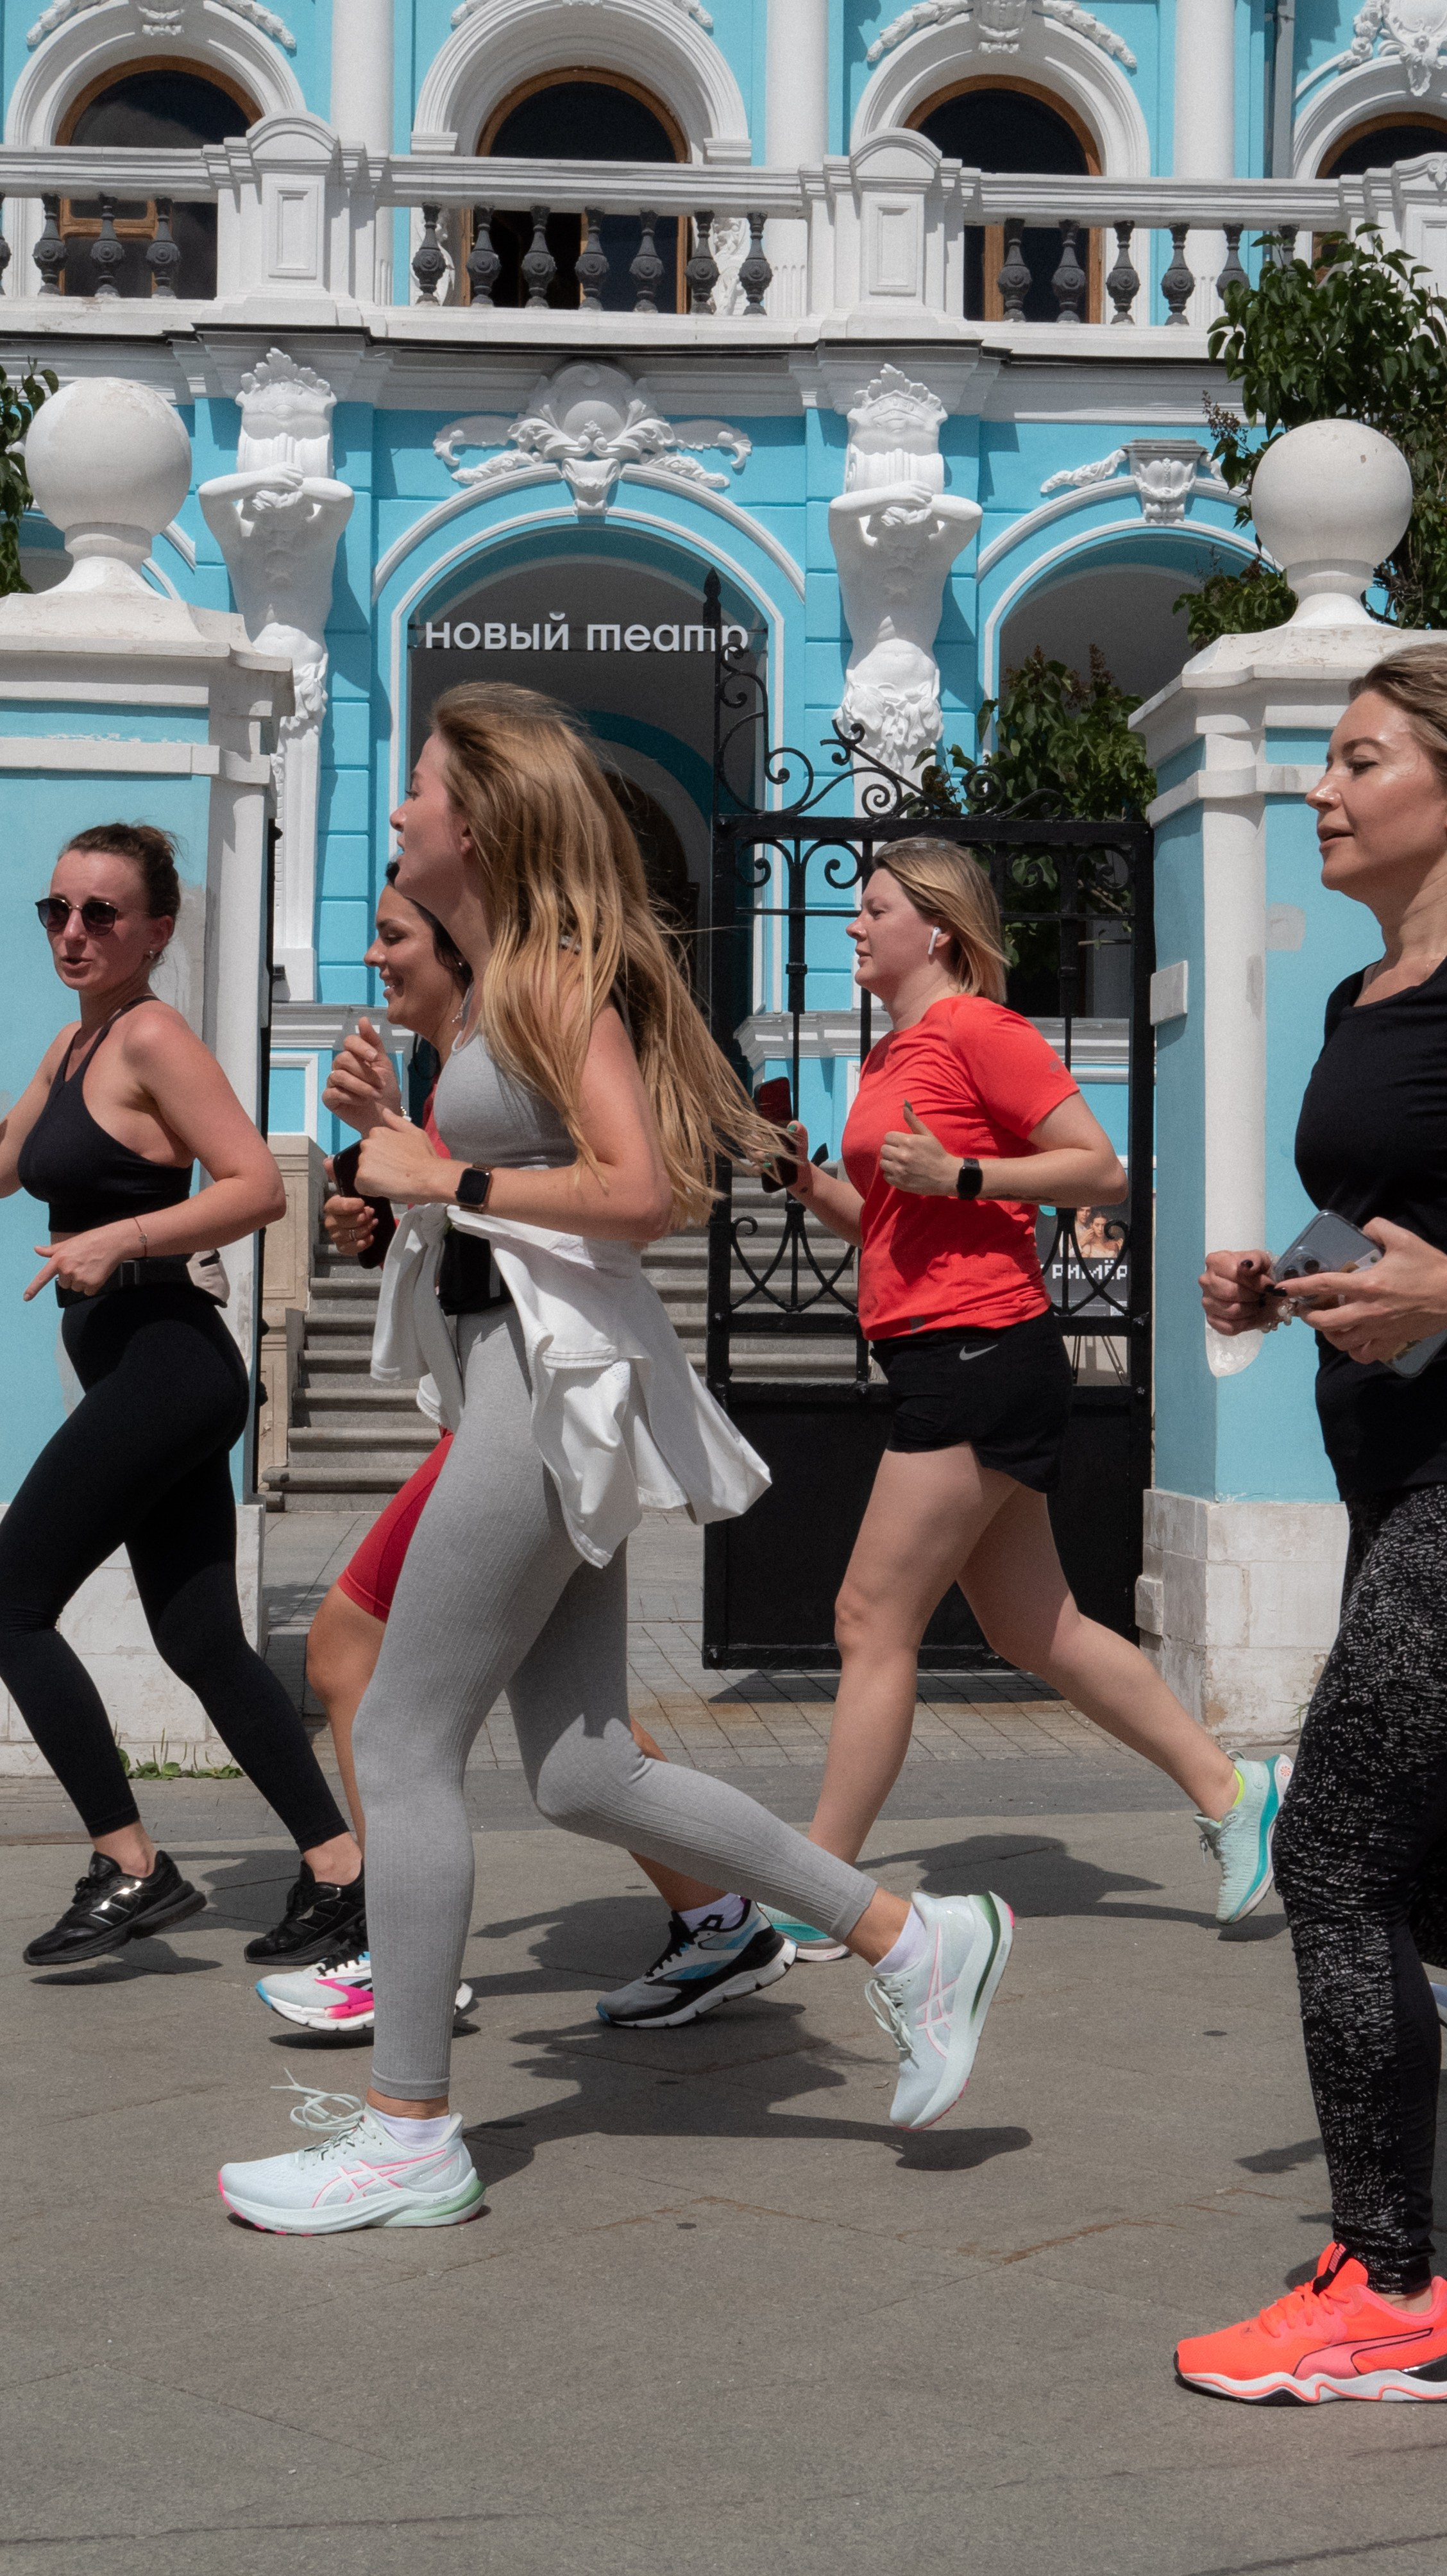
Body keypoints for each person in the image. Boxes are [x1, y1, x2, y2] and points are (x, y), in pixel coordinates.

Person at [216, 684, 1017, 2233]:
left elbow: (642, 1191)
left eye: (421, 788)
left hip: (549, 1392)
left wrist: (441, 1163)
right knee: (584, 1770)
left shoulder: (555, 977)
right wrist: (417, 1159)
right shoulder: (515, 975)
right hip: (528, 1382)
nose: (397, 814)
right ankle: (910, 1939)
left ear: (483, 813)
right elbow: (515, 1194)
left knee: (397, 1735)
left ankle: (408, 2130)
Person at [259, 870, 777, 2037]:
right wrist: (381, 1198)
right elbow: (468, 1241)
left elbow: (617, 1200)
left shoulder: (516, 1042)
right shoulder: (462, 1078)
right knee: (581, 1746)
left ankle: (408, 1962)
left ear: (457, 945)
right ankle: (780, 1922)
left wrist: (417, 1171)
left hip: (534, 1399)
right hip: (504, 1403)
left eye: (393, 936)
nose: (376, 960)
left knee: (362, 1663)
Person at [759, 840, 1289, 1963]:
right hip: (946, 1349)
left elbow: (1098, 1168)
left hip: (978, 1355)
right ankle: (1233, 1791)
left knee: (869, 1619)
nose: (855, 927)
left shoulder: (978, 1033)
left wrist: (964, 1175)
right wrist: (812, 1183)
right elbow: (897, 1223)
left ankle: (816, 1886)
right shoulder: (896, 1050)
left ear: (937, 929)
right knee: (1030, 1626)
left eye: (875, 909)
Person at [1178, 645, 1447, 2402]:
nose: (1317, 793)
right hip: (1391, 1474)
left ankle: (1389, 2287)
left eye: (1356, 759)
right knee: (1420, 1878)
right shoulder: (1366, 1000)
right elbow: (1390, 1219)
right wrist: (1287, 1285)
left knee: (1337, 1849)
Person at [0, 822, 362, 1968]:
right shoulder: (73, 1048)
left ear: (156, 931)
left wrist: (125, 1235)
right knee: (203, 1636)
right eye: (55, 910)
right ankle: (340, 1875)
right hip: (139, 1366)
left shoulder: (152, 1034)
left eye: (100, 913)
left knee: (7, 1601)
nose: (72, 931)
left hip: (170, 1360)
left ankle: (132, 1865)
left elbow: (257, 1185)